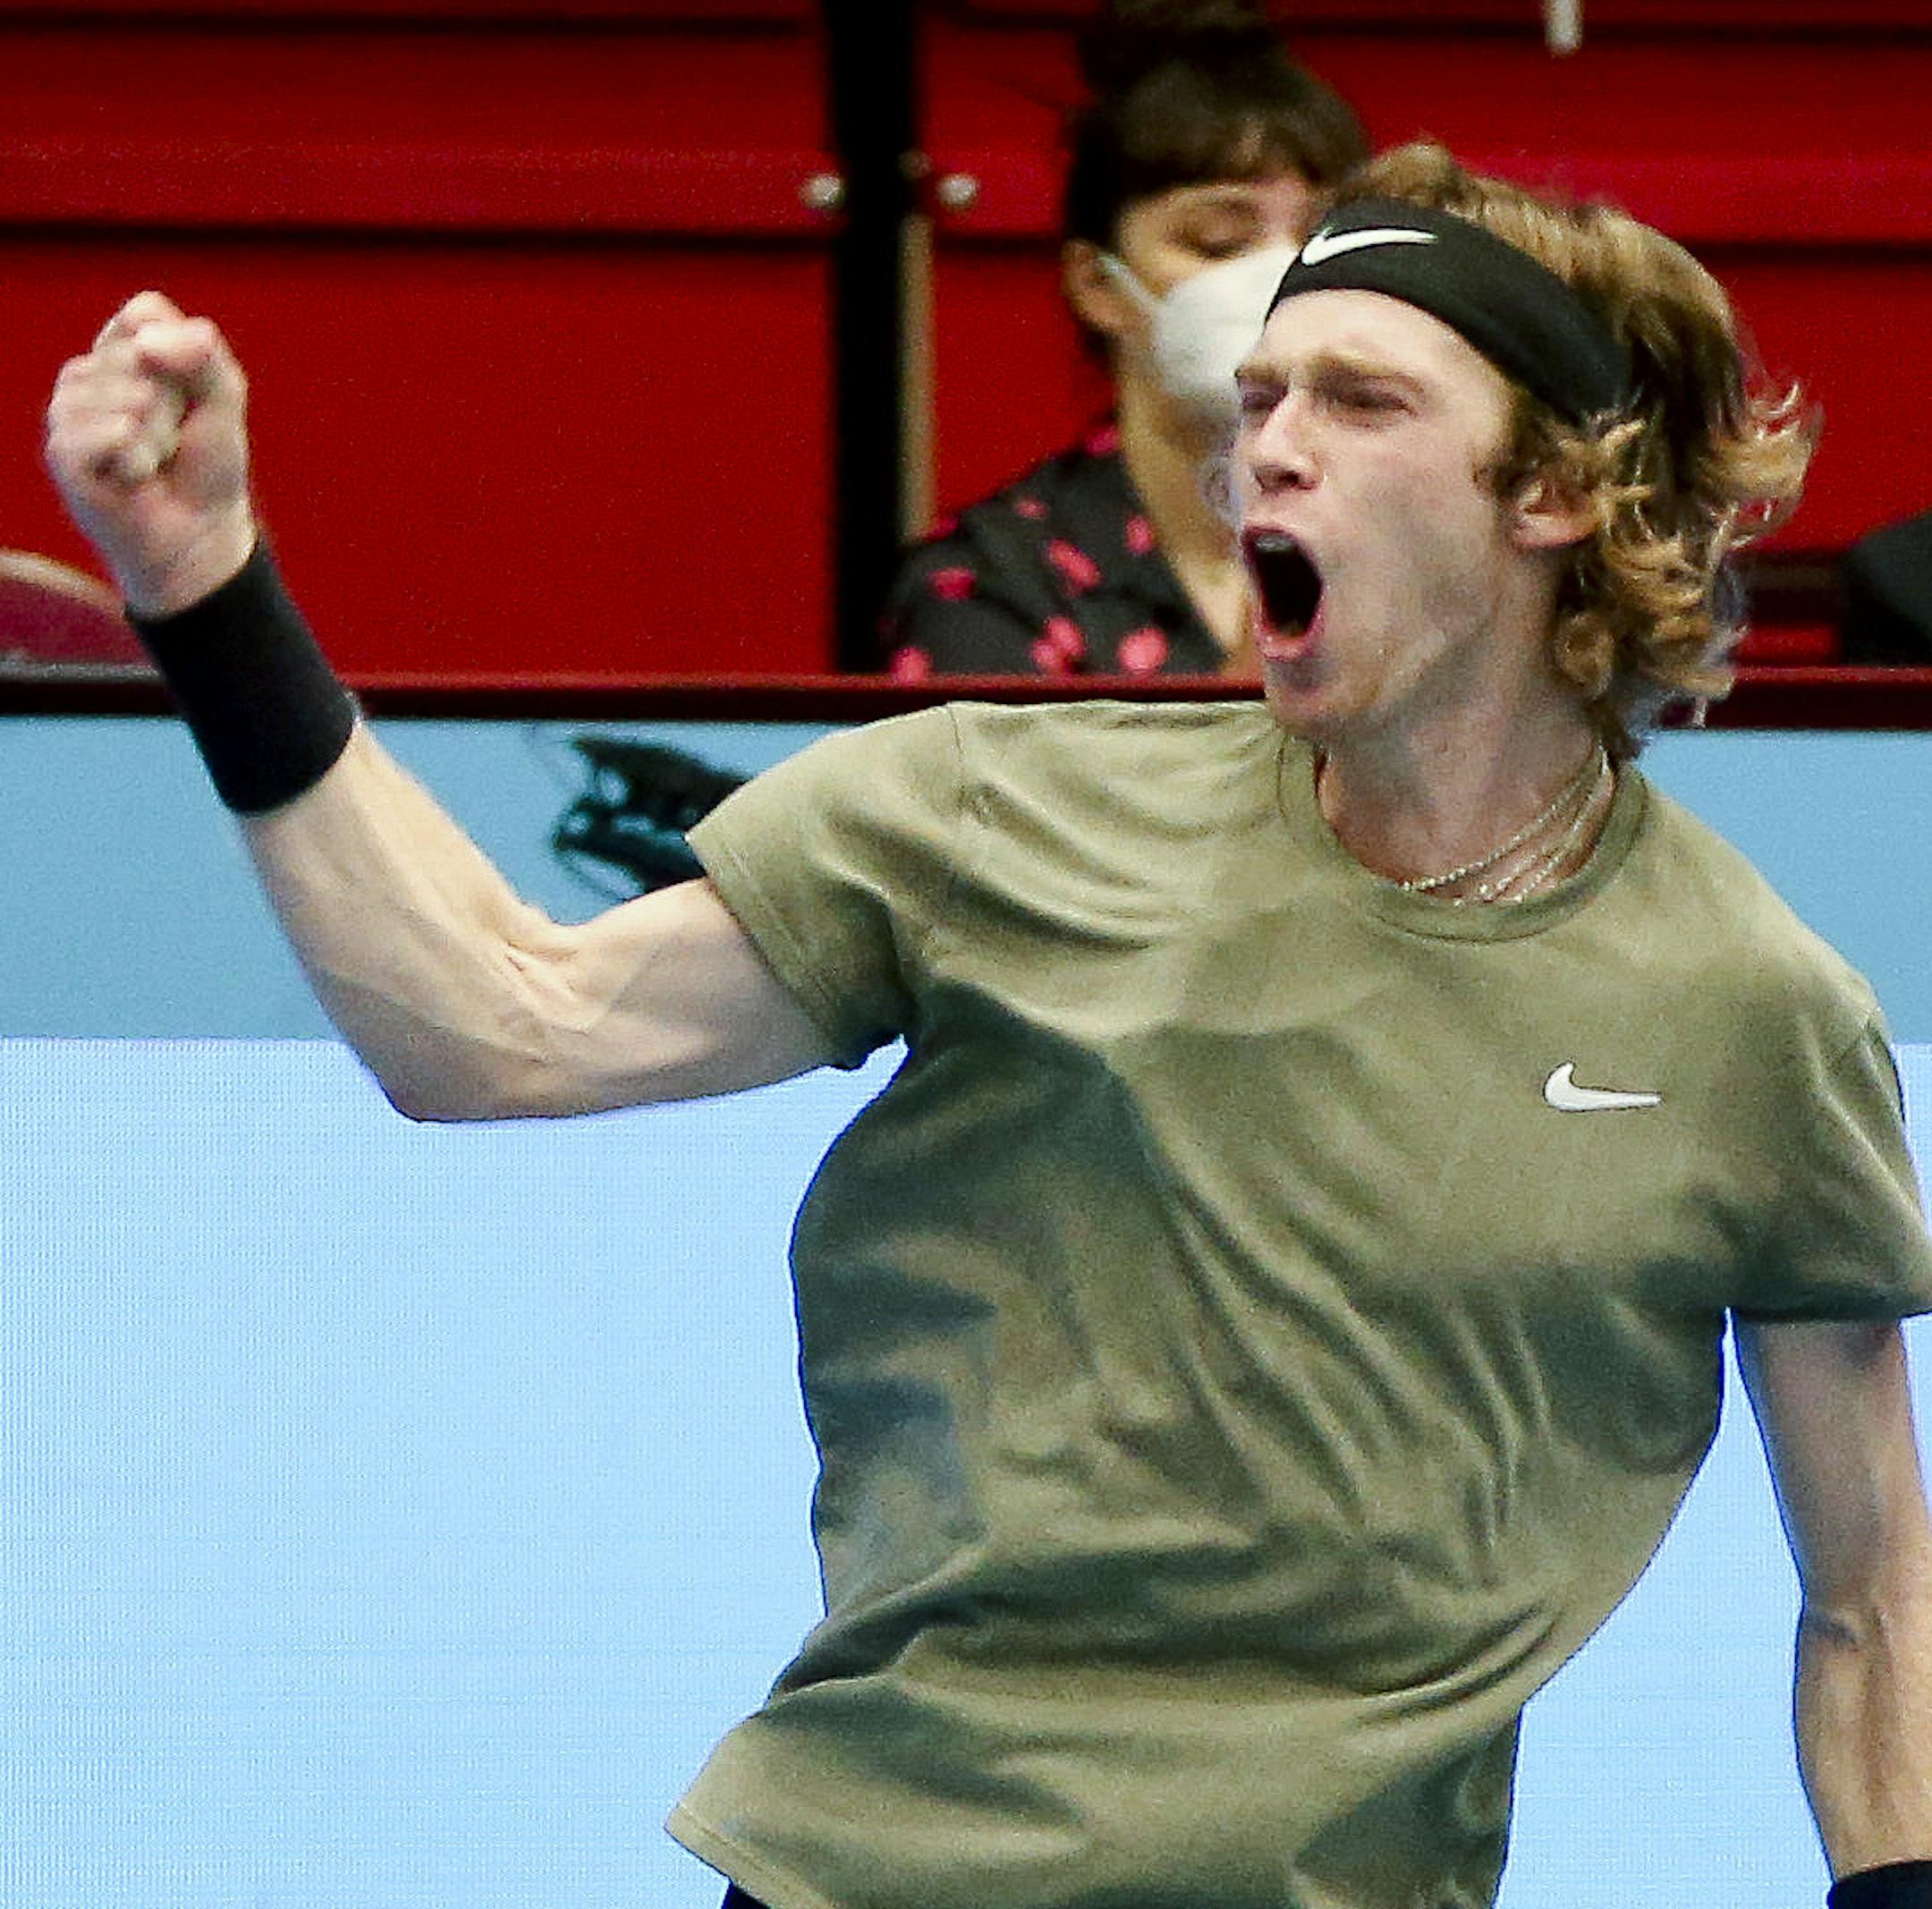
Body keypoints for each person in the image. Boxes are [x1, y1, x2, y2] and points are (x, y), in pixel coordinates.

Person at [43, 141, 1932, 1909]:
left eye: (1360, 404)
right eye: (1259, 400)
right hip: (857, 1869)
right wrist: (205, 589)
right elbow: (491, 1025)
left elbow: (1877, 1596)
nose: (1263, 450)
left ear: (1552, 496)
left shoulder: (1751, 1009)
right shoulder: (984, 811)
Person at [880, 0, 1368, 680]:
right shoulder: (992, 581)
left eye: (1322, 235)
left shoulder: (1406, 533)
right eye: (1218, 241)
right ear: (1098, 285)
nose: (1286, 273)